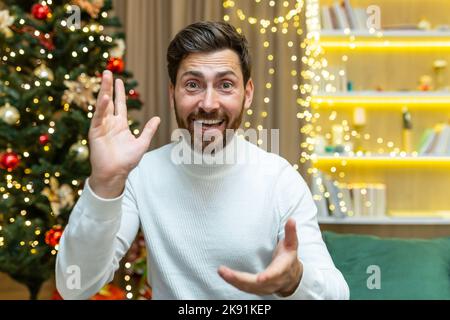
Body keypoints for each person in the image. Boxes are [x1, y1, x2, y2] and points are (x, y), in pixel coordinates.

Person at [56, 21, 349, 300]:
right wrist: (104, 183)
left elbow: (338, 293)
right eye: (193, 85)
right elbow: (75, 285)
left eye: (225, 85)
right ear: (173, 93)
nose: (208, 104)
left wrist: (294, 279)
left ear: (247, 94)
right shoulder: (140, 174)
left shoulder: (280, 179)